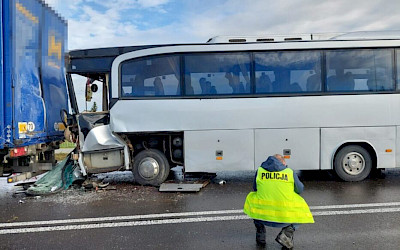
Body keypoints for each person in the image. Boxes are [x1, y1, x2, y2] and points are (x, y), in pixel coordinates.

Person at [243, 154, 314, 249]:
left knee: (254, 198)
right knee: (301, 206)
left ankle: (260, 233)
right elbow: (300, 189)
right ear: (283, 163)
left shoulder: (260, 171)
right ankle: (286, 234)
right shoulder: (289, 172)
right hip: (285, 219)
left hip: (262, 217)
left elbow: (255, 188)